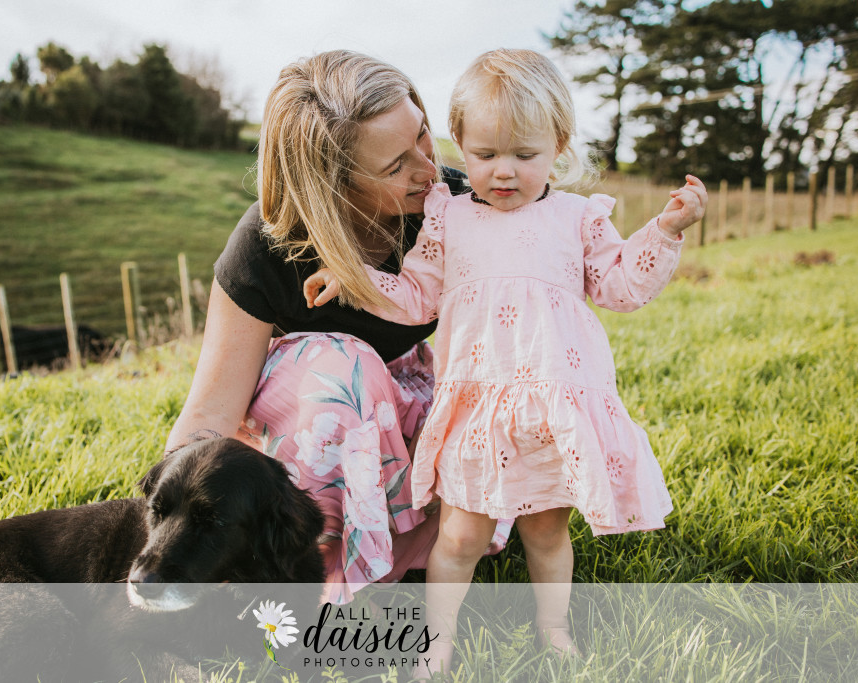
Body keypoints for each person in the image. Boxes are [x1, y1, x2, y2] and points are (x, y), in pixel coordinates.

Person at [303, 48, 707, 674]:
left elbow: (621, 287)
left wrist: (665, 232)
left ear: (558, 146)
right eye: (486, 154)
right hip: (476, 405)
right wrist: (354, 278)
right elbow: (416, 295)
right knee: (460, 535)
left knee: (546, 531)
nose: (504, 171)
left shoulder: (577, 218)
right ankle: (437, 640)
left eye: (525, 154)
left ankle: (554, 628)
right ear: (460, 144)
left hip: (552, 406)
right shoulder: (449, 216)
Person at [162, 49, 510, 606]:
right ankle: (311, 568)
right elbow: (209, 416)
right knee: (345, 367)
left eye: (422, 134)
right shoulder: (266, 247)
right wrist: (172, 532)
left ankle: (398, 547)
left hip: (401, 398)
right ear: (332, 186)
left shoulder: (454, 206)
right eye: (395, 167)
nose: (428, 169)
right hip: (308, 427)